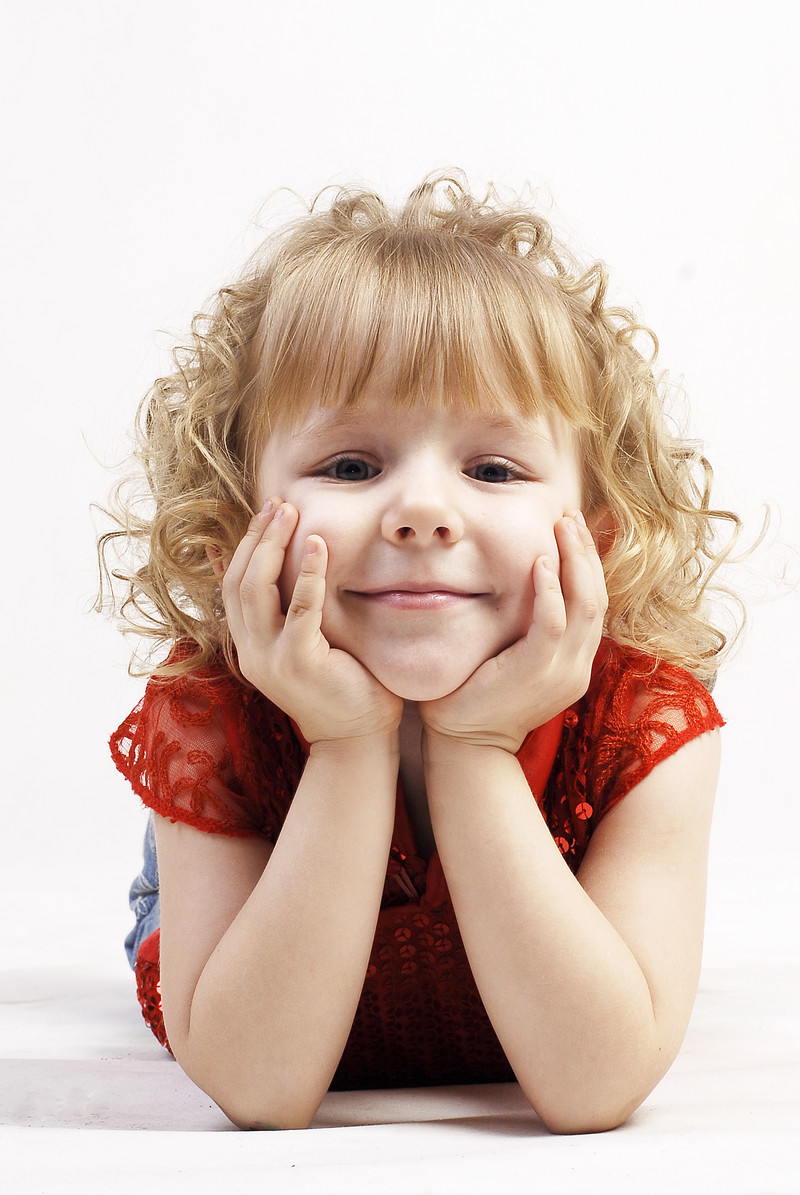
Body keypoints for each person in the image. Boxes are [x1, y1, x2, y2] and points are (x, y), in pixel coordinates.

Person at [101, 173, 739, 1133]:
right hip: (247, 888)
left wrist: (477, 746)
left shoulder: (647, 721)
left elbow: (595, 1086)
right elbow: (260, 1090)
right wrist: (345, 739)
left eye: (494, 469)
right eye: (352, 465)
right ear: (236, 517)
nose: (424, 512)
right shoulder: (210, 711)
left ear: (598, 534)